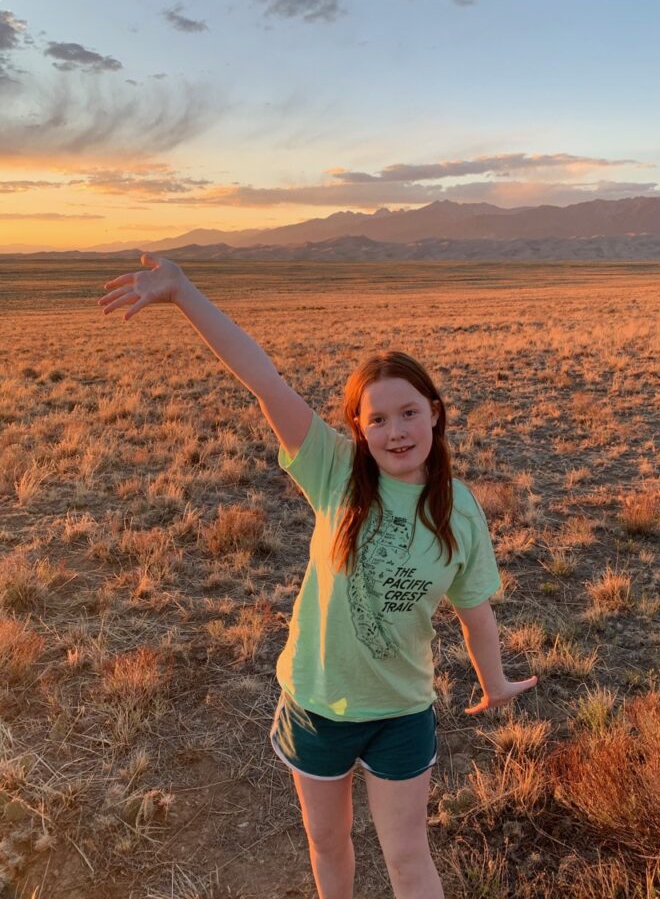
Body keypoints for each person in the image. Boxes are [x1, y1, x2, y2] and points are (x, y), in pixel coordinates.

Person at [98, 253, 538, 899]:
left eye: (409, 412)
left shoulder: (460, 509)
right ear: (356, 428)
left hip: (401, 711)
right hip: (316, 703)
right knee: (329, 845)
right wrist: (184, 294)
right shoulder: (333, 472)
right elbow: (262, 378)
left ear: (436, 414)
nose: (396, 431)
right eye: (377, 418)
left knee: (410, 858)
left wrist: (494, 681)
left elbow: (475, 610)